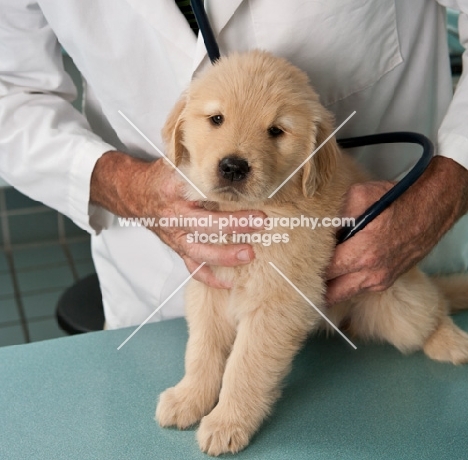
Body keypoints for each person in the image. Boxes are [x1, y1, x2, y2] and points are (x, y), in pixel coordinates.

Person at [1, 0, 468, 329]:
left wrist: (444, 192)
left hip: (385, 260)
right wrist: (125, 186)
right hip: (156, 284)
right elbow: (12, 90)